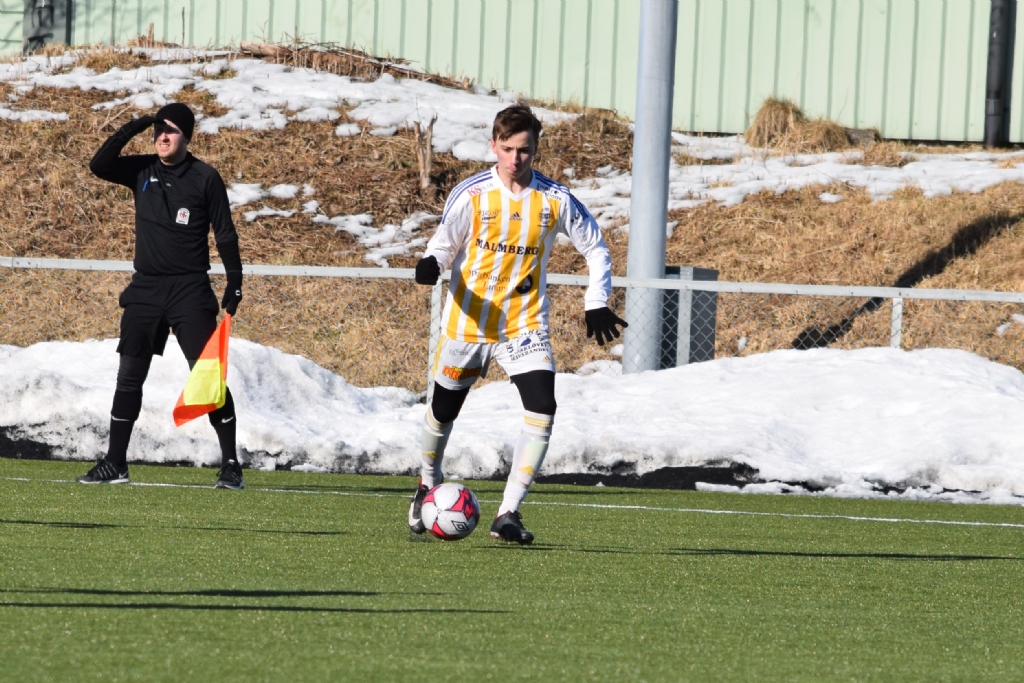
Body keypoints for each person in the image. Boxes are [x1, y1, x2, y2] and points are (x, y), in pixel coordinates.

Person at [409, 104, 626, 544]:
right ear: (493, 146)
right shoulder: (472, 195)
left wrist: (595, 301)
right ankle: (427, 484)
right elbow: (443, 243)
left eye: (524, 150)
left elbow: (596, 248)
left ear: (536, 148)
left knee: (543, 407)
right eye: (507, 149)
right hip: (468, 323)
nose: (515, 159)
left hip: (523, 325)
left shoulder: (554, 199)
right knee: (444, 410)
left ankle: (507, 513)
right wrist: (431, 263)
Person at [76, 103, 245, 489]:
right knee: (129, 377)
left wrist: (234, 281)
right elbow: (99, 164)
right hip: (146, 289)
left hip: (189, 290)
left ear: (187, 136)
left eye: (171, 131)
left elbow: (225, 232)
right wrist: (136, 124)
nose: (162, 137)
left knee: (208, 377)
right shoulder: (142, 170)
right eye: (158, 131)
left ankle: (231, 464)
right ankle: (115, 462)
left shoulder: (205, 177)